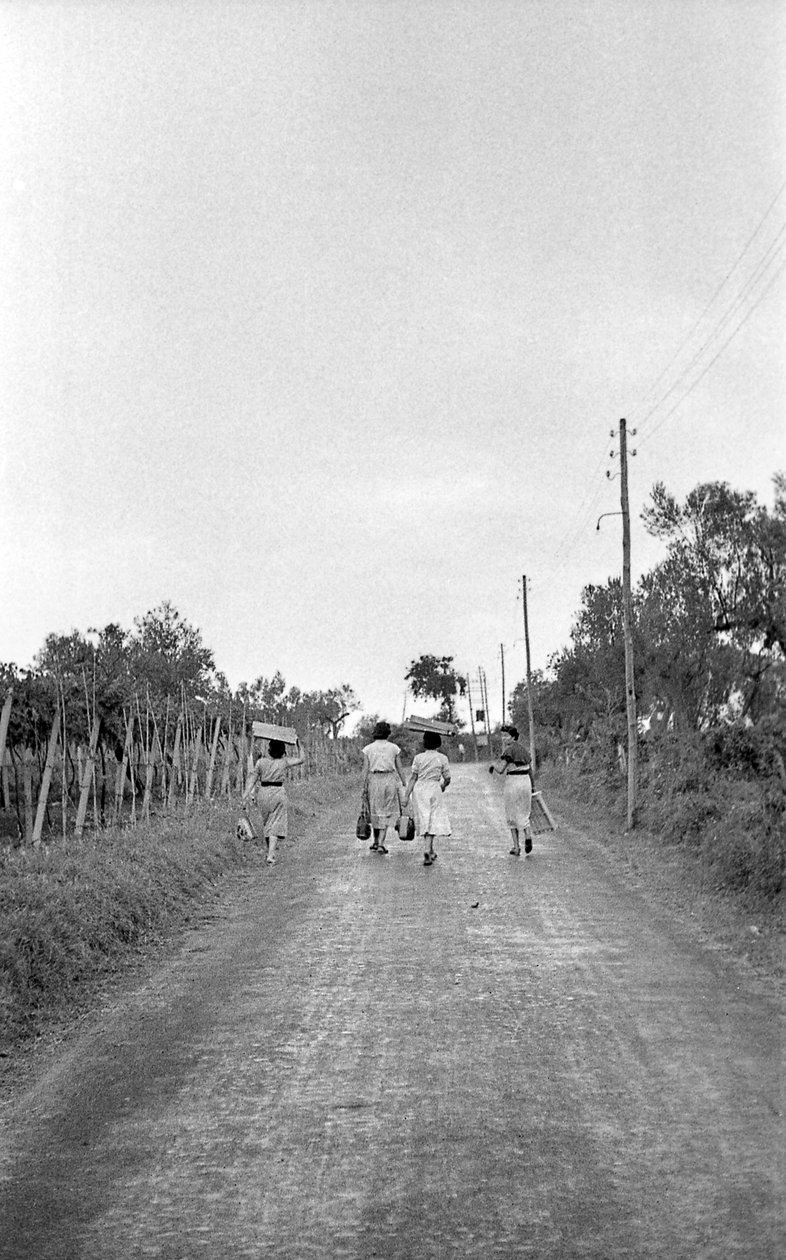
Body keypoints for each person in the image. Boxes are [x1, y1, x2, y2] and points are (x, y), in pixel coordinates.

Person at [242, 736, 305, 866]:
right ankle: (270, 855)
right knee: (275, 823)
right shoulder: (284, 762)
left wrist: (246, 794)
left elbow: (252, 778)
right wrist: (299, 745)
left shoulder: (261, 762)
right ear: (283, 751)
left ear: (269, 749)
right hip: (278, 793)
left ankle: (270, 852)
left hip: (263, 794)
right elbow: (301, 759)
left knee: (267, 823)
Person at [402, 731, 451, 866]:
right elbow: (447, 778)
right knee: (433, 819)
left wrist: (406, 796)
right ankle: (428, 849)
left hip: (419, 790)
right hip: (434, 788)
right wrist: (443, 786)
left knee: (424, 818)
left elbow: (413, 778)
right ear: (438, 743)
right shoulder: (442, 758)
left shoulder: (418, 758)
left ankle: (430, 849)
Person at [361, 721, 407, 854]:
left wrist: (363, 787)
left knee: (375, 810)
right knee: (385, 811)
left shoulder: (368, 749)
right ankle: (380, 843)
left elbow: (365, 769)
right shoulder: (394, 748)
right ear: (388, 733)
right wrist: (404, 783)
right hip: (389, 780)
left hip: (374, 780)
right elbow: (399, 768)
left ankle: (376, 842)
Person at [488, 724, 533, 856]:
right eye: (502, 735)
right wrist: (533, 786)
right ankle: (528, 836)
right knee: (525, 811)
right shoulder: (524, 750)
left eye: (506, 736)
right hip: (526, 782)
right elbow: (530, 770)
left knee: (511, 813)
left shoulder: (509, 751)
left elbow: (501, 769)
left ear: (513, 737)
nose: (503, 738)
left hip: (513, 782)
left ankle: (516, 847)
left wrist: (492, 765)